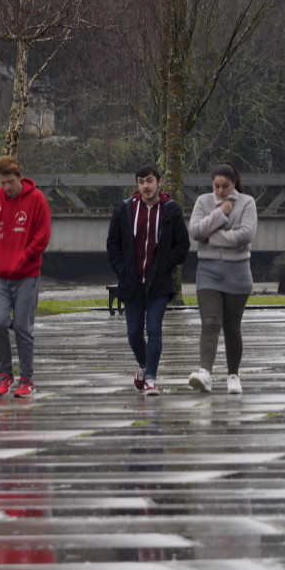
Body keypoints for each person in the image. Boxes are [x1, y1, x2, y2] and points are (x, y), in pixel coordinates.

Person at [107, 164, 190, 396]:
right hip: (131, 283)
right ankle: (143, 365)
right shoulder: (125, 209)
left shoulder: (171, 210)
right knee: (134, 333)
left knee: (154, 329)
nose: (146, 186)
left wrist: (165, 265)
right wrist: (121, 270)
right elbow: (113, 244)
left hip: (158, 283)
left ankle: (152, 378)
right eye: (141, 182)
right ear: (137, 185)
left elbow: (182, 246)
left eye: (150, 181)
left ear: (159, 182)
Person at [0, 155, 52, 398]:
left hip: (27, 276)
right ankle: (4, 374)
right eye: (2, 183)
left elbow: (42, 237)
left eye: (10, 182)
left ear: (20, 177)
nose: (7, 187)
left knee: (22, 328)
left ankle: (26, 378)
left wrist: (24, 257)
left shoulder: (37, 200)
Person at [187, 160, 258, 394]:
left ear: (234, 183)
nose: (219, 191)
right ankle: (205, 373)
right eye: (216, 186)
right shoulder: (203, 202)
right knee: (210, 323)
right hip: (208, 272)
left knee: (232, 327)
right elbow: (196, 231)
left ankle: (233, 375)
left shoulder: (247, 203)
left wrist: (213, 238)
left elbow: (246, 235)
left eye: (225, 186)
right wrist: (221, 212)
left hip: (237, 272)